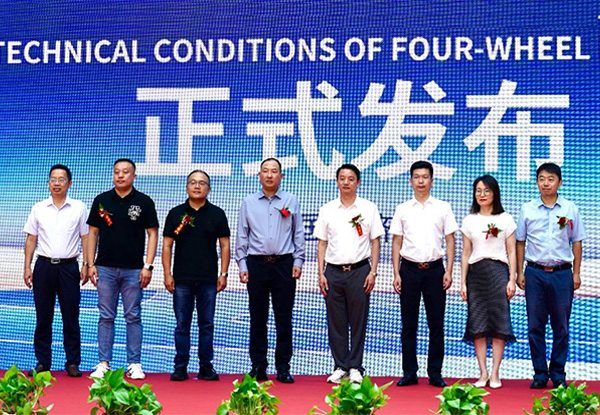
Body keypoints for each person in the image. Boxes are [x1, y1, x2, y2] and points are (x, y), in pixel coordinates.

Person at [87, 159, 159, 380]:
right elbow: (92, 233)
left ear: (134, 176)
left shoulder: (144, 202)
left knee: (133, 316)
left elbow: (153, 234)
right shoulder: (101, 200)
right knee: (105, 316)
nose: (120, 175)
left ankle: (134, 363)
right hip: (104, 268)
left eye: (125, 172)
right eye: (117, 172)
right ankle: (103, 363)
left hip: (134, 270)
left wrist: (148, 266)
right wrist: (90, 264)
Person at [516, 162, 586, 389]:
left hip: (562, 274)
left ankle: (557, 373)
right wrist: (519, 272)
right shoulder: (527, 209)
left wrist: (576, 273)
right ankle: (539, 374)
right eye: (542, 179)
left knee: (561, 327)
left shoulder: (570, 208)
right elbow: (520, 242)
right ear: (537, 182)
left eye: (551, 179)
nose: (546, 183)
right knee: (534, 326)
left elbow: (577, 241)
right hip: (534, 273)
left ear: (559, 182)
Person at [235, 158, 305, 384]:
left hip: (284, 264)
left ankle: (283, 367)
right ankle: (258, 366)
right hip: (256, 264)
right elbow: (242, 235)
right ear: (259, 175)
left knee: (284, 318)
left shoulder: (290, 200)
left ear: (281, 176)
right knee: (258, 318)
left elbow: (298, 233)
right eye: (265, 171)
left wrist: (298, 261)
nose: (269, 175)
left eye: (274, 171)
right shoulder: (248, 202)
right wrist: (242, 264)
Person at [314, 164, 384, 384]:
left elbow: (375, 241)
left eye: (351, 179)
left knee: (358, 321)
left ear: (358, 182)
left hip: (359, 271)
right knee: (335, 322)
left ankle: (355, 366)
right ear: (337, 182)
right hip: (333, 272)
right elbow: (322, 243)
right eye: (342, 178)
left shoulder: (368, 208)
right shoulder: (327, 209)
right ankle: (340, 366)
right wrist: (321, 273)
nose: (346, 182)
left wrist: (373, 272)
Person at [390, 160, 457, 388]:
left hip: (435, 270)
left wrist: (449, 270)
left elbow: (450, 240)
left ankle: (435, 373)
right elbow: (396, 241)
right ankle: (409, 372)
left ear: (432, 180)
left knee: (436, 324)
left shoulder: (443, 207)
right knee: (408, 324)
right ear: (410, 180)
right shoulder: (403, 209)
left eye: (425, 177)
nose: (421, 181)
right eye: (416, 177)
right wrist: (396, 273)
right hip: (409, 270)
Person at [162, 170, 230, 382]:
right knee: (182, 324)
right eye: (193, 182)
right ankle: (180, 366)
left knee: (206, 324)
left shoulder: (217, 214)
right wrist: (167, 273)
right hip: (181, 279)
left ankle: (206, 366)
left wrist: (223, 273)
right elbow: (167, 245)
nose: (197, 186)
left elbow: (225, 245)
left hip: (209, 279)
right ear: (186, 187)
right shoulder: (175, 213)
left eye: (202, 183)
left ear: (209, 189)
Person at [23, 164, 89, 377]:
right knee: (43, 317)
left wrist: (87, 264)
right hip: (43, 267)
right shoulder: (39, 208)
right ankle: (43, 362)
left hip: (69, 267)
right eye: (53, 179)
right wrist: (27, 267)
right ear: (48, 183)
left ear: (70, 183)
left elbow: (86, 237)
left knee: (71, 316)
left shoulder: (79, 207)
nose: (57, 183)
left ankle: (72, 362)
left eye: (61, 179)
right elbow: (31, 239)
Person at [460, 175, 517, 389]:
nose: (482, 195)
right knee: (478, 324)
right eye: (478, 191)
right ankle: (482, 372)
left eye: (486, 191)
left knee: (499, 323)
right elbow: (466, 253)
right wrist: (463, 282)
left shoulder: (505, 219)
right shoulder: (469, 220)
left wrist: (512, 279)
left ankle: (495, 373)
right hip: (476, 274)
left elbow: (512, 251)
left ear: (495, 193)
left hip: (498, 272)